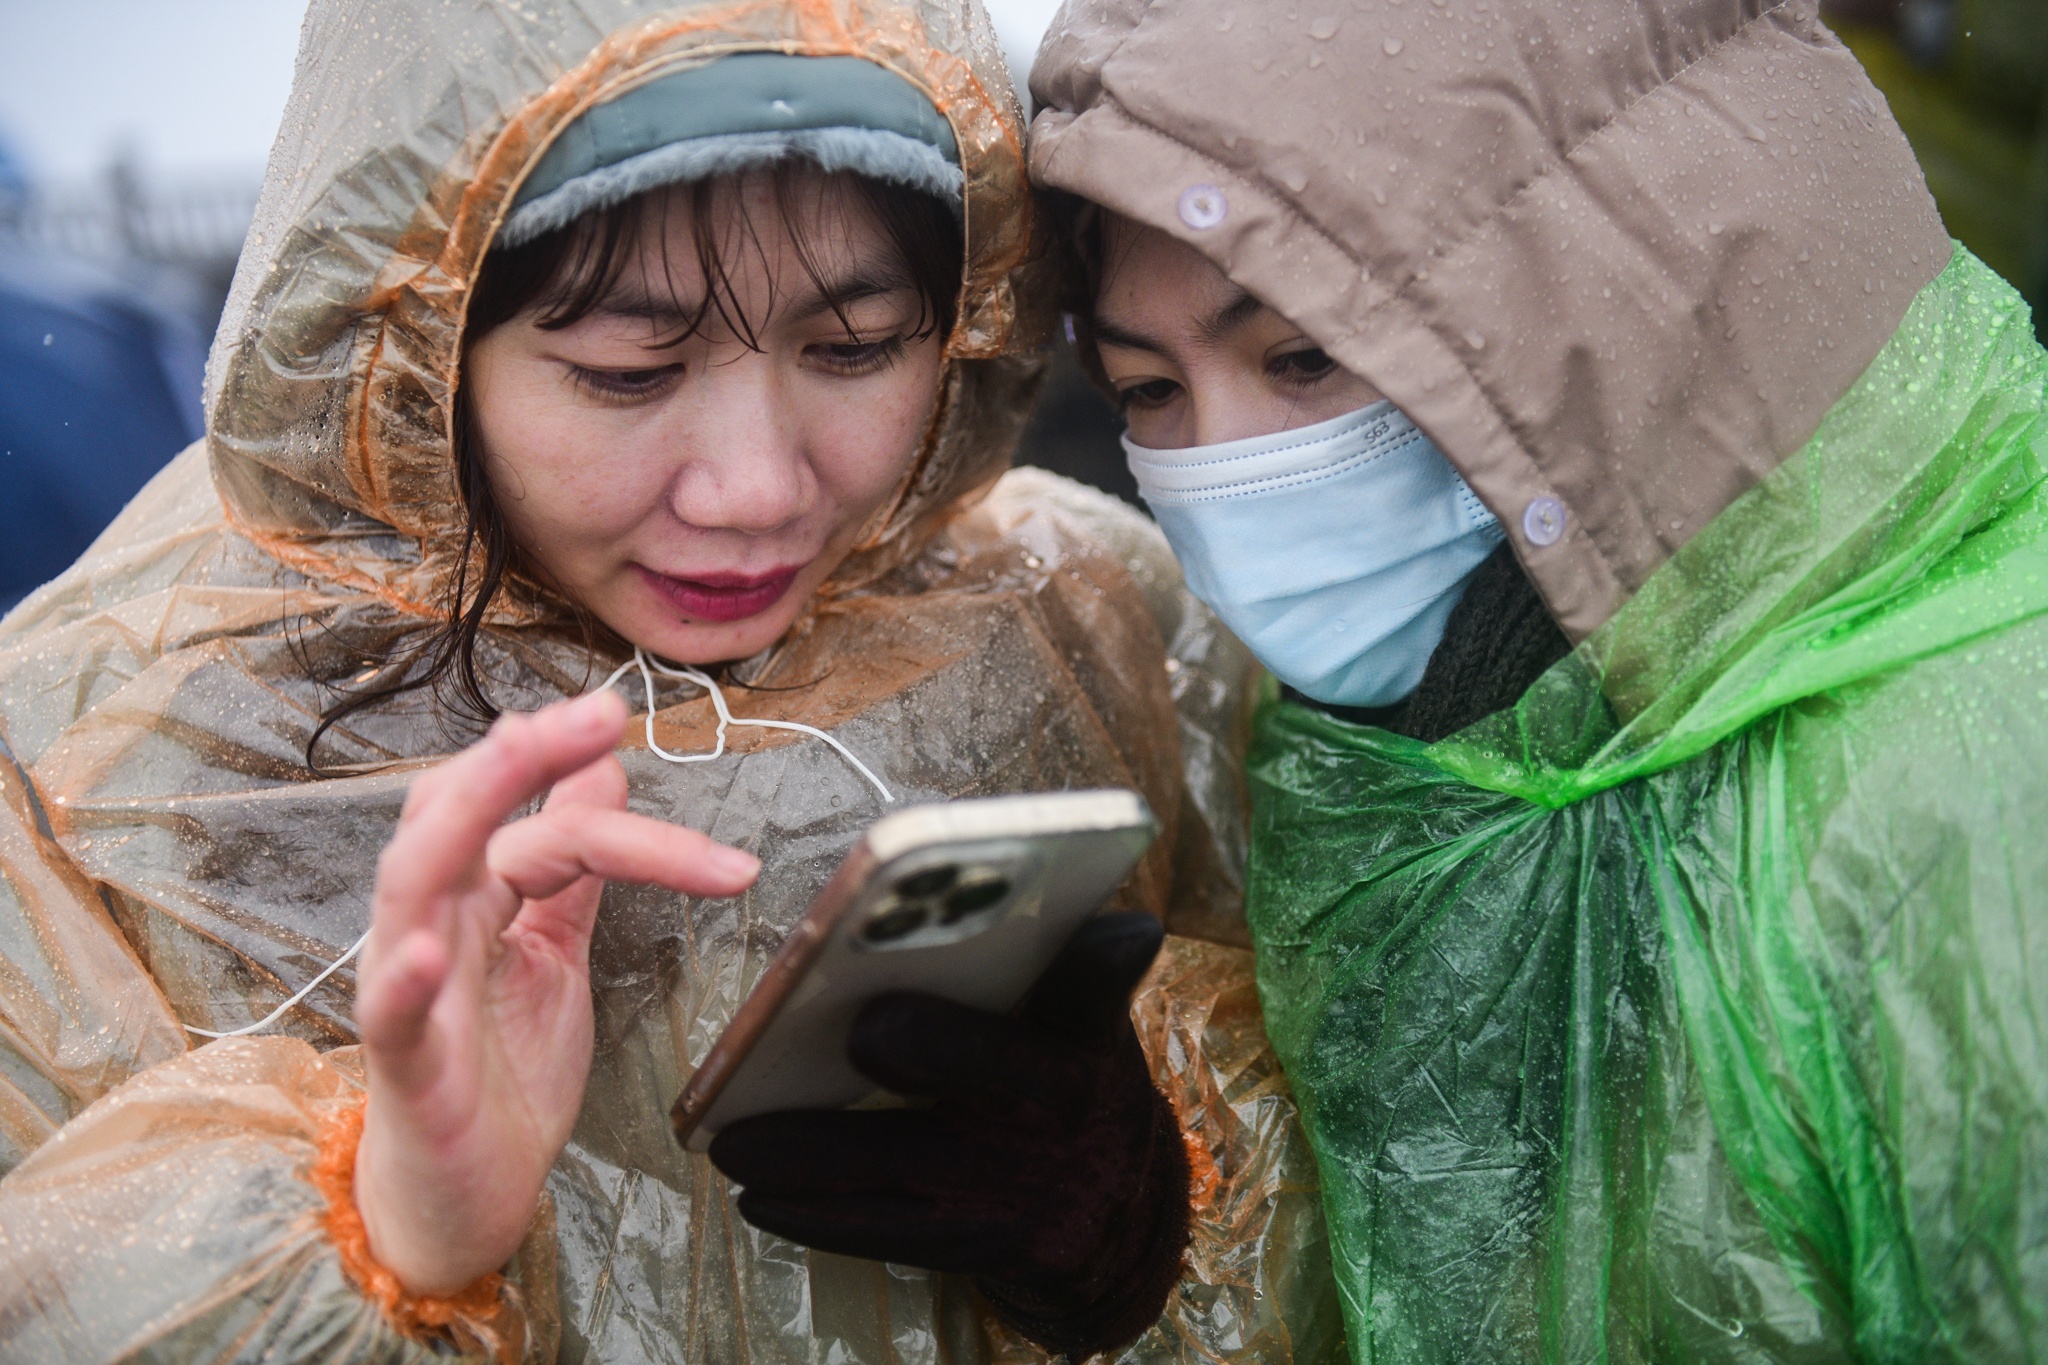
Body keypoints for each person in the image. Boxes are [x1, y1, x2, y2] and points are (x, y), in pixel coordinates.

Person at [0, 2, 1343, 1362]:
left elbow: (1438, 1220)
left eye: (857, 345)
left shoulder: (1093, 620)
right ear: (411, 335)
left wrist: (1153, 1234)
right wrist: (392, 1228)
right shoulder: (101, 757)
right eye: (627, 374)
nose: (758, 487)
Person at [1029, 0, 2048, 1357]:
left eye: (1305, 355)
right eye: (1149, 389)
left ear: (1582, 300)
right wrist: (1135, 1243)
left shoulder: (1959, 792)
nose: (1230, 464)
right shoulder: (1386, 750)